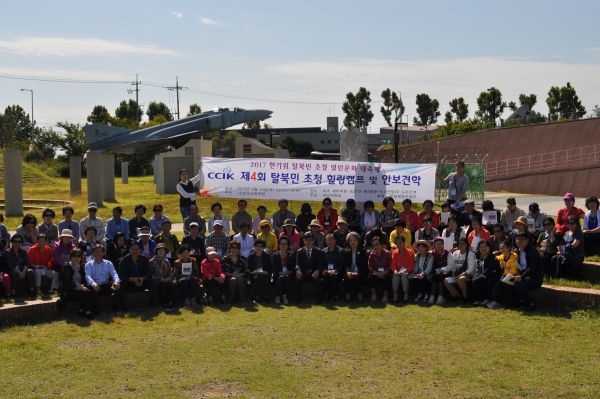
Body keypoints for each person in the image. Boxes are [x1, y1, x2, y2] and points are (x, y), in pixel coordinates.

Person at [505, 232, 542, 312]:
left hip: (535, 278)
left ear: (527, 240)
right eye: (518, 239)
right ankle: (518, 301)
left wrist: (521, 277)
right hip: (522, 275)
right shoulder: (517, 251)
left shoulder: (533, 251)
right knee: (506, 282)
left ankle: (530, 304)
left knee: (519, 284)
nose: (520, 241)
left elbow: (531, 268)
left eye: (522, 239)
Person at [85, 243, 123, 314]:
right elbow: (87, 277)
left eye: (100, 251)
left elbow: (114, 274)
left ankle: (116, 309)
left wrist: (116, 282)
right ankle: (97, 312)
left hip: (105, 285)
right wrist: (94, 284)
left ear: (103, 253)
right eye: (96, 251)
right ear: (93, 253)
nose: (98, 253)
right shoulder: (88, 264)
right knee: (93, 289)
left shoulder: (108, 263)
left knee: (118, 287)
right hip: (95, 286)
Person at [119, 240, 156, 310]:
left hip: (141, 282)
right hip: (129, 284)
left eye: (137, 249)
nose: (135, 251)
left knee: (152, 281)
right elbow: (121, 275)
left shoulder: (144, 259)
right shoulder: (124, 260)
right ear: (129, 249)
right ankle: (123, 305)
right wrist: (132, 279)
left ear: (140, 250)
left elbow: (149, 272)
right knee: (121, 283)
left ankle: (152, 303)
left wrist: (143, 278)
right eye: (133, 249)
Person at [58, 248, 93, 319]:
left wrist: (82, 286)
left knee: (89, 291)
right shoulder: (66, 267)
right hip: (69, 291)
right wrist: (77, 287)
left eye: (78, 256)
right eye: (74, 256)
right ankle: (87, 312)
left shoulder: (82, 267)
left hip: (79, 289)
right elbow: (68, 281)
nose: (76, 258)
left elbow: (84, 280)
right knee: (83, 293)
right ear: (70, 257)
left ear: (81, 257)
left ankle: (81, 310)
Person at [487, 240, 520, 310]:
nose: (502, 249)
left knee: (502, 282)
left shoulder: (514, 257)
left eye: (504, 248)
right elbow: (495, 257)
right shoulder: (502, 256)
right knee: (497, 282)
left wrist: (505, 266)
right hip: (505, 277)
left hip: (514, 277)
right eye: (500, 248)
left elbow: (514, 272)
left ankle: (517, 301)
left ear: (509, 247)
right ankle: (494, 301)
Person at [550, 215, 584, 280]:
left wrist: (564, 251)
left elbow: (575, 244)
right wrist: (561, 250)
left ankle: (558, 277)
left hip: (576, 253)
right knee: (554, 258)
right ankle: (553, 275)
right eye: (568, 223)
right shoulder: (566, 233)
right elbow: (562, 244)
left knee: (560, 258)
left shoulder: (578, 232)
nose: (570, 224)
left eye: (572, 223)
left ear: (576, 223)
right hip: (566, 252)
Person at [443, 238, 477, 302]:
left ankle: (466, 298)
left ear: (466, 245)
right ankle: (457, 297)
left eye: (462, 244)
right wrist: (453, 275)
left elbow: (471, 269)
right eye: (459, 244)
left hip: (469, 275)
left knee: (460, 280)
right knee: (446, 280)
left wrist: (459, 276)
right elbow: (453, 266)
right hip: (457, 275)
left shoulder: (471, 254)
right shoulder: (455, 253)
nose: (460, 245)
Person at [295, 232, 324, 304]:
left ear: (313, 241)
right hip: (304, 273)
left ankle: (318, 296)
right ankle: (298, 296)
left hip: (314, 273)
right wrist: (298, 270)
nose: (308, 242)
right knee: (297, 276)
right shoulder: (300, 251)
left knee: (318, 276)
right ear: (303, 241)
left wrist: (317, 271)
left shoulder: (318, 251)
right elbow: (297, 263)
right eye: (306, 240)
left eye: (310, 240)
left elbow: (320, 264)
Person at [471, 240, 501, 306]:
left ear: (489, 247)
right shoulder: (481, 256)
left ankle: (487, 299)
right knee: (474, 281)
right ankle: (479, 299)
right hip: (485, 275)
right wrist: (475, 276)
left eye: (485, 246)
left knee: (483, 281)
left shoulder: (492, 257)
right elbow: (480, 269)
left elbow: (488, 270)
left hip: (493, 276)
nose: (483, 249)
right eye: (481, 247)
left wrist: (477, 277)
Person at [429, 237, 454, 305]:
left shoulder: (448, 253)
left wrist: (442, 270)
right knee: (434, 277)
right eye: (436, 244)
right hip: (436, 271)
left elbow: (450, 265)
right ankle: (432, 296)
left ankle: (441, 297)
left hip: (446, 271)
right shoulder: (433, 252)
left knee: (440, 277)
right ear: (434, 245)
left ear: (443, 245)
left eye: (440, 244)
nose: (438, 246)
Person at [149, 243, 175, 308]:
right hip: (157, 282)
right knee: (163, 285)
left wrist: (169, 278)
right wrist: (160, 279)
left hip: (167, 280)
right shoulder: (152, 261)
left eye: (163, 250)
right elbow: (151, 274)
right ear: (156, 251)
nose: (161, 252)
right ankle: (165, 303)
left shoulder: (167, 261)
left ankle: (170, 302)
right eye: (159, 250)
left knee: (171, 284)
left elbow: (170, 271)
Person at [390, 235, 415, 303]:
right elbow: (392, 264)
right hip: (397, 271)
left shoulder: (410, 252)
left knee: (404, 277)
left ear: (404, 242)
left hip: (407, 271)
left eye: (400, 242)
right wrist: (395, 271)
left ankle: (406, 295)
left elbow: (411, 264)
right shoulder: (394, 252)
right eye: (397, 243)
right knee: (395, 277)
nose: (399, 244)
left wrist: (404, 271)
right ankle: (395, 295)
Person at [343, 232, 366, 302]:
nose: (353, 242)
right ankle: (348, 294)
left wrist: (358, 272)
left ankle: (359, 294)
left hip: (359, 272)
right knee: (347, 278)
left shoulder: (362, 251)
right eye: (351, 240)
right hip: (350, 271)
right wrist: (348, 272)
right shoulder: (347, 252)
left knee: (356, 278)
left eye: (354, 240)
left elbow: (363, 264)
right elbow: (345, 264)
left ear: (358, 241)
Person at [272, 236, 295, 305]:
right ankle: (278, 296)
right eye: (281, 243)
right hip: (278, 274)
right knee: (281, 277)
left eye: (285, 244)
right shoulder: (275, 255)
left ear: (288, 245)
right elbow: (273, 267)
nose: (283, 245)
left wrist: (289, 272)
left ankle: (285, 296)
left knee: (287, 277)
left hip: (289, 273)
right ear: (278, 245)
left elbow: (294, 266)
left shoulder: (292, 254)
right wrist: (280, 272)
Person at [367, 238, 392, 303]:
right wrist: (376, 273)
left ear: (381, 245)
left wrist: (384, 272)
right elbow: (370, 266)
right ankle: (374, 293)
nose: (376, 246)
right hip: (376, 273)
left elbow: (390, 265)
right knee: (371, 277)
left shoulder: (387, 253)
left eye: (377, 244)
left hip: (385, 272)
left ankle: (385, 295)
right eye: (374, 245)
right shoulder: (371, 254)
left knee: (386, 278)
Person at [321, 233, 344, 301]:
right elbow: (322, 263)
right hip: (328, 271)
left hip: (338, 271)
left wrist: (335, 270)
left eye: (331, 239)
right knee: (325, 276)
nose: (329, 241)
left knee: (334, 276)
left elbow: (341, 264)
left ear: (335, 241)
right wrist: (324, 270)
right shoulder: (323, 251)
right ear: (325, 241)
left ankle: (336, 294)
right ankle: (326, 294)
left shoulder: (341, 251)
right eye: (327, 240)